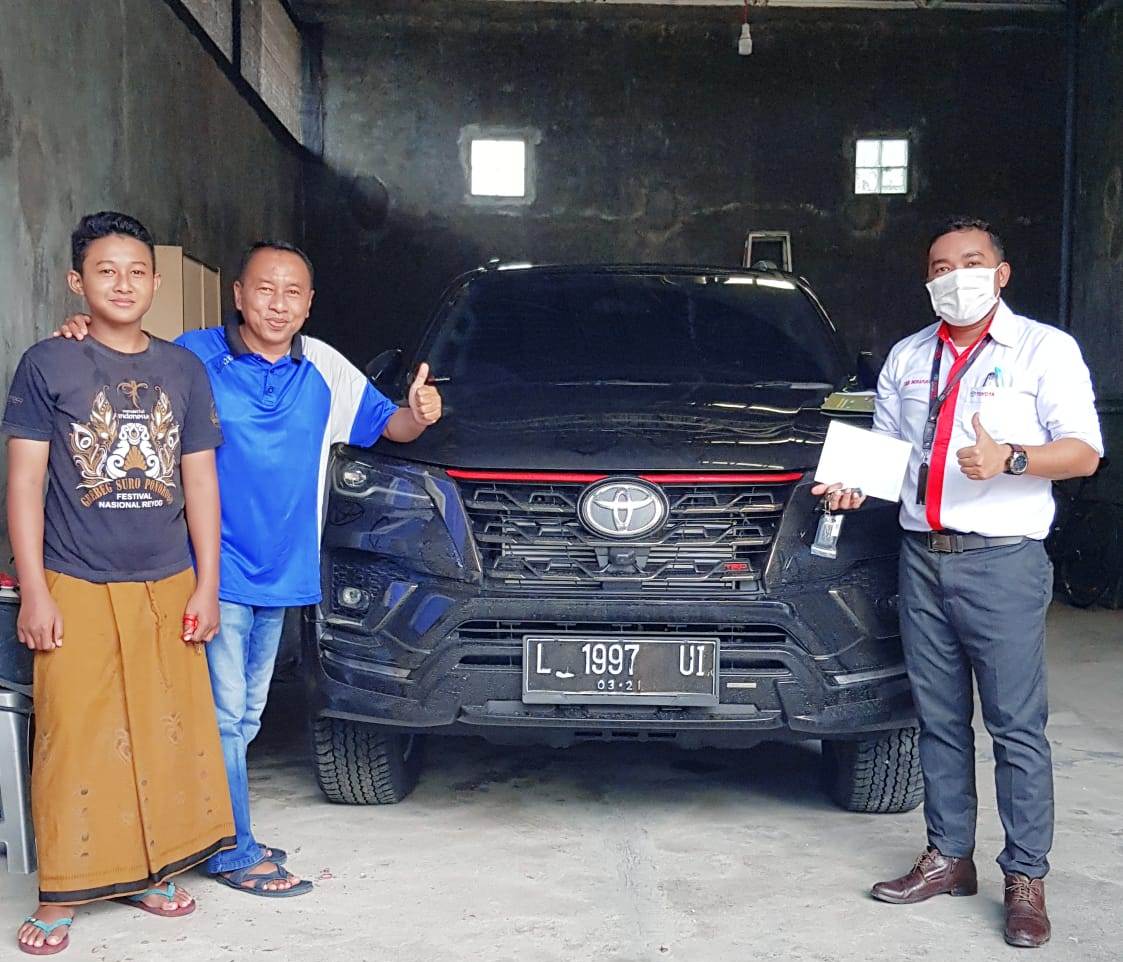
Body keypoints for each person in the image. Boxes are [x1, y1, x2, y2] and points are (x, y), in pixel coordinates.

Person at [58, 240, 443, 896]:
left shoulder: (323, 366)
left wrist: (418, 413)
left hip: (283, 572)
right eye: (265, 289)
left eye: (292, 293)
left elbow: (390, 428)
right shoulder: (192, 357)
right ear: (238, 294)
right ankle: (231, 849)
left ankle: (213, 832)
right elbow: (118, 380)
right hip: (210, 570)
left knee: (246, 716)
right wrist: (81, 333)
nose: (278, 304)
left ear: (309, 304)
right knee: (224, 715)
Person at [813, 217, 1102, 948]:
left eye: (970, 263)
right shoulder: (909, 356)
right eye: (940, 267)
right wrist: (853, 486)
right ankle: (948, 857)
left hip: (1001, 561)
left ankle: (1025, 877)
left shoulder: (1043, 350)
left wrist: (1011, 459)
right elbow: (889, 455)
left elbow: (1083, 453)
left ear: (1000, 274)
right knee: (937, 718)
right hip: (921, 557)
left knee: (1014, 725)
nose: (954, 277)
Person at [4, 212, 234, 955]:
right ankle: (63, 890)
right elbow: (25, 482)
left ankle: (150, 872)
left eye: (136, 271)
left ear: (157, 282)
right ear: (77, 281)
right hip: (74, 578)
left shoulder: (183, 370)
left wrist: (206, 583)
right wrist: (35, 590)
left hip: (168, 580)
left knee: (162, 735)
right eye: (105, 271)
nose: (123, 284)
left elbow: (200, 481)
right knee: (73, 738)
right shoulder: (48, 363)